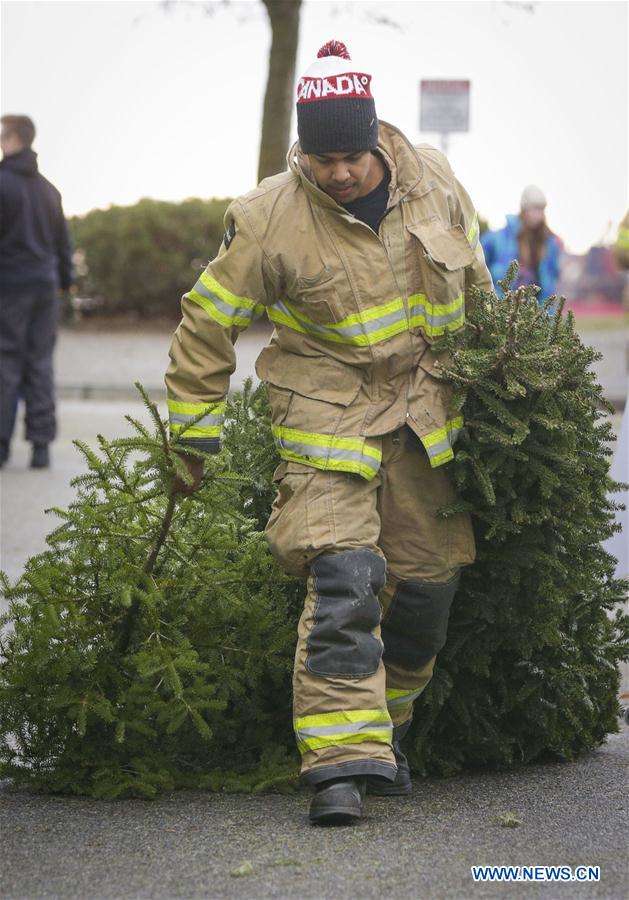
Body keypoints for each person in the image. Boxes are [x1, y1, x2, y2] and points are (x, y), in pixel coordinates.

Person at [165, 40, 493, 826]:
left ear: (376, 137)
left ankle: (386, 730)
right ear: (302, 152)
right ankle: (338, 767)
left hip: (426, 417)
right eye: (321, 158)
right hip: (325, 419)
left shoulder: (435, 182)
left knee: (423, 597)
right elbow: (206, 322)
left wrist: (505, 395)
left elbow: (478, 287)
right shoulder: (267, 215)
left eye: (350, 156)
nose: (338, 173)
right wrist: (192, 432)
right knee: (345, 581)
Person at [0, 114, 73, 469]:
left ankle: (1, 446)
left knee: (6, 362)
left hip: (9, 286)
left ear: (15, 139)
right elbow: (63, 245)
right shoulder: (49, 190)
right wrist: (65, 282)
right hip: (45, 286)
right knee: (40, 363)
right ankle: (41, 447)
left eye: (2, 135)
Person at [480, 184, 562, 303]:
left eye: (540, 209)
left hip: (536, 309)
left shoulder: (550, 243)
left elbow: (552, 278)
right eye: (534, 208)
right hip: (502, 307)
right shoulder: (497, 239)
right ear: (524, 208)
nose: (537, 214)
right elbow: (479, 265)